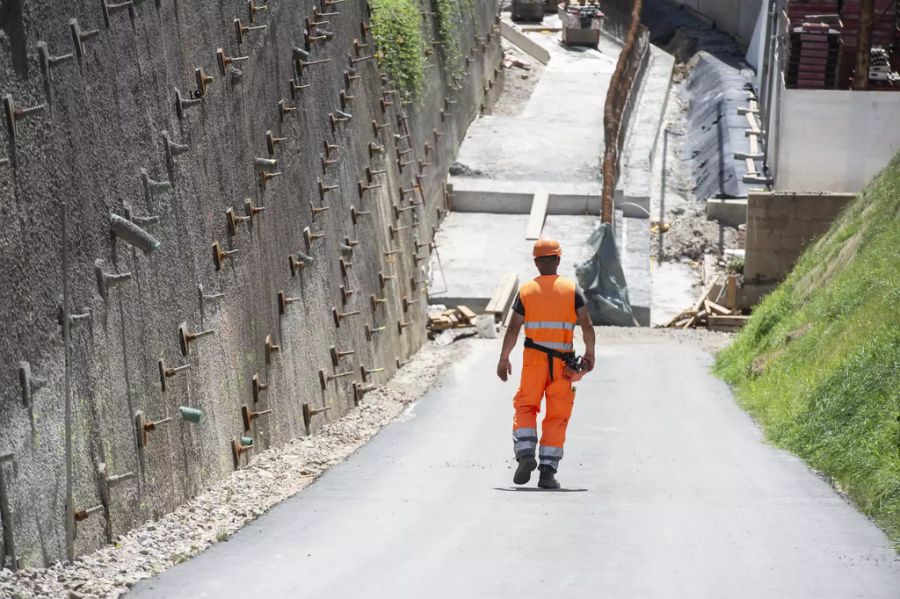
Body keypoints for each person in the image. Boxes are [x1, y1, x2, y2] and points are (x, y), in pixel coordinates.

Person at [496, 238, 595, 489]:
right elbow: (586, 325)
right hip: (564, 365)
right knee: (557, 416)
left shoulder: (527, 291)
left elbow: (513, 328)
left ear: (536, 262)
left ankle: (526, 453)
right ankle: (547, 473)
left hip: (533, 361)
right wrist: (590, 353)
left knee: (526, 406)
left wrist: (504, 357)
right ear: (558, 260)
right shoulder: (572, 290)